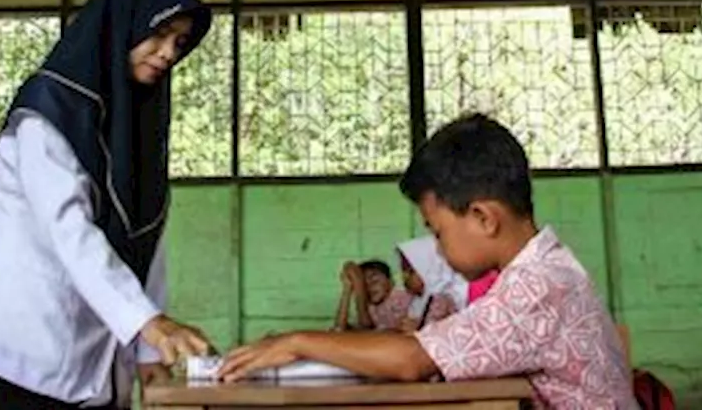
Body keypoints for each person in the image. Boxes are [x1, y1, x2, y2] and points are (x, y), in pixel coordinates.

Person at [218, 113, 636, 410]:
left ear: (483, 218)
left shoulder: (538, 284)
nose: (437, 250)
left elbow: (412, 360)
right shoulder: (543, 269)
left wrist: (296, 342)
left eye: (438, 232)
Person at [0, 0, 216, 410]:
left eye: (180, 42)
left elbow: (146, 240)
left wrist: (149, 348)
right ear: (122, 25)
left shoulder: (138, 133)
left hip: (95, 355)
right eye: (159, 33)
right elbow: (68, 233)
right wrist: (148, 323)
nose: (169, 52)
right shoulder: (47, 115)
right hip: (22, 351)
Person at [394, 238, 459, 331]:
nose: (405, 277)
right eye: (403, 270)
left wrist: (418, 329)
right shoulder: (417, 300)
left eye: (411, 271)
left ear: (427, 269)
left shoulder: (441, 302)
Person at [333, 260, 413, 331]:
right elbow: (339, 328)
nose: (370, 287)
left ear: (391, 281)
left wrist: (358, 282)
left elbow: (367, 326)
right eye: (364, 285)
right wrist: (347, 288)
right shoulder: (371, 306)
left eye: (375, 281)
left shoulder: (402, 298)